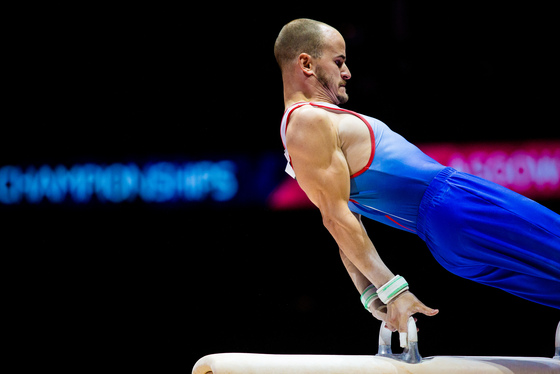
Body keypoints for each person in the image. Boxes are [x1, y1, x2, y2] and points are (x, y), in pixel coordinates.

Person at [274, 18, 560, 346]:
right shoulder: (308, 121)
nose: (348, 72)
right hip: (456, 204)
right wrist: (394, 290)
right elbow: (336, 219)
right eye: (339, 61)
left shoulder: (298, 136)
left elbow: (345, 222)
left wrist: (371, 293)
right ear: (306, 64)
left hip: (445, 242)